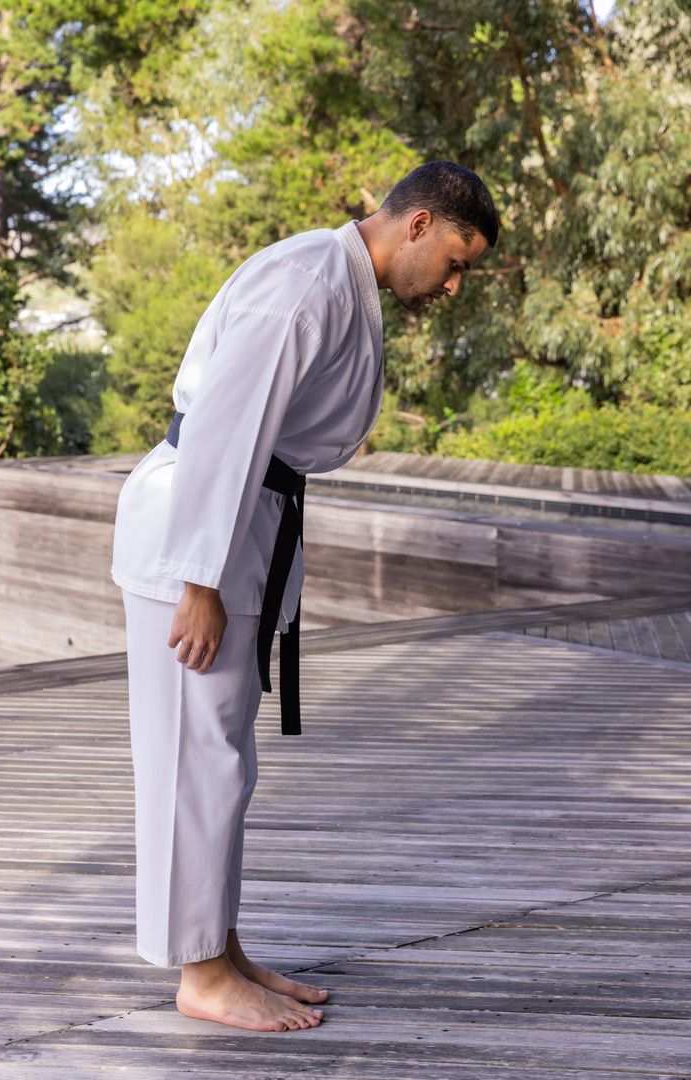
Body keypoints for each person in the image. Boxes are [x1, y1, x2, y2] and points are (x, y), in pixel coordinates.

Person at [111, 160, 499, 1033]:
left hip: (241, 527)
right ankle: (202, 978)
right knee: (194, 760)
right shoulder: (307, 286)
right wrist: (199, 581)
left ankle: (221, 946)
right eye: (456, 260)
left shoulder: (338, 282)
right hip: (197, 535)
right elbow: (226, 425)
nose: (454, 282)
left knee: (223, 762)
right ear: (418, 224)